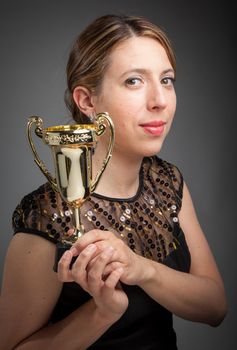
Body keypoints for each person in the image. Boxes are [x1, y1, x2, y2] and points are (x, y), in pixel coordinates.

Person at [0, 14, 227, 350]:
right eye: (134, 81)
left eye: (166, 80)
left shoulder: (166, 183)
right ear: (87, 101)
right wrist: (102, 313)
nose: (160, 101)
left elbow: (215, 307)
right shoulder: (46, 217)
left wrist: (142, 269)